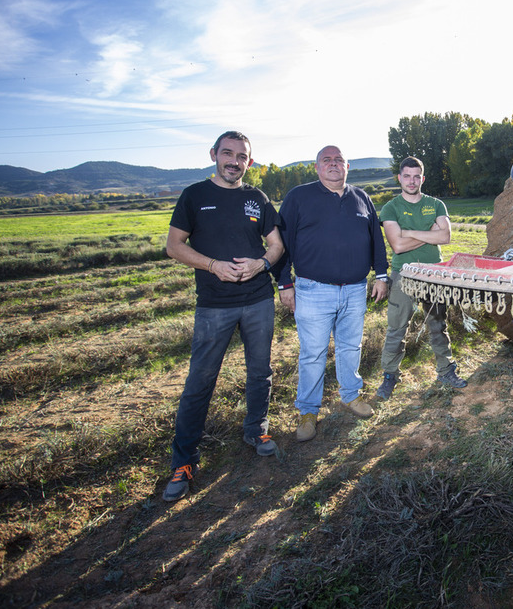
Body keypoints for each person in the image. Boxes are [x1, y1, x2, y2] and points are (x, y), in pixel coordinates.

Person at [162, 130, 284, 502]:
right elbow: (173, 246)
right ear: (214, 154)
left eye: (242, 156)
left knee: (260, 371)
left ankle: (255, 430)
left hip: (258, 300)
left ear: (250, 160)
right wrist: (213, 265)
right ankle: (183, 461)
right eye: (228, 154)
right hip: (214, 304)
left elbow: (276, 245)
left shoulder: (256, 198)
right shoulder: (195, 196)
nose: (235, 161)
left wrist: (262, 263)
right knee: (200, 380)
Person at [276, 145, 389, 443]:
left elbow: (375, 238)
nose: (333, 164)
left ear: (347, 166)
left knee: (351, 346)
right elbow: (282, 243)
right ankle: (308, 411)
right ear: (317, 167)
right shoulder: (298, 197)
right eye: (327, 160)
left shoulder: (361, 197)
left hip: (354, 289)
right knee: (313, 353)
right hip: (313, 290)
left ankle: (350, 396)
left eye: (339, 160)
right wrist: (283, 283)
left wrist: (380, 275)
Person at [376, 156, 467, 399]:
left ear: (422, 178)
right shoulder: (390, 208)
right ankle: (390, 375)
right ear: (399, 178)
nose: (412, 180)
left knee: (438, 324)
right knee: (397, 328)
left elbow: (445, 236)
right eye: (407, 175)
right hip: (404, 274)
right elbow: (397, 246)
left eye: (417, 176)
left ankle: (446, 370)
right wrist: (429, 233)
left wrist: (410, 232)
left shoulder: (436, 204)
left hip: (433, 273)